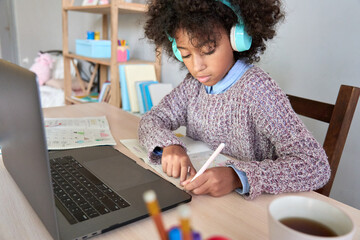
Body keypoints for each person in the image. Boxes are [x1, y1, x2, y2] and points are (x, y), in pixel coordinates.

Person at [138, 0, 330, 199]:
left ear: (238, 39)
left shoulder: (258, 89)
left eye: (208, 50)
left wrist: (238, 177)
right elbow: (151, 120)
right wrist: (170, 145)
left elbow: (315, 164)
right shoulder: (192, 86)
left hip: (252, 212)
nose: (197, 66)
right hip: (210, 205)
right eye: (185, 54)